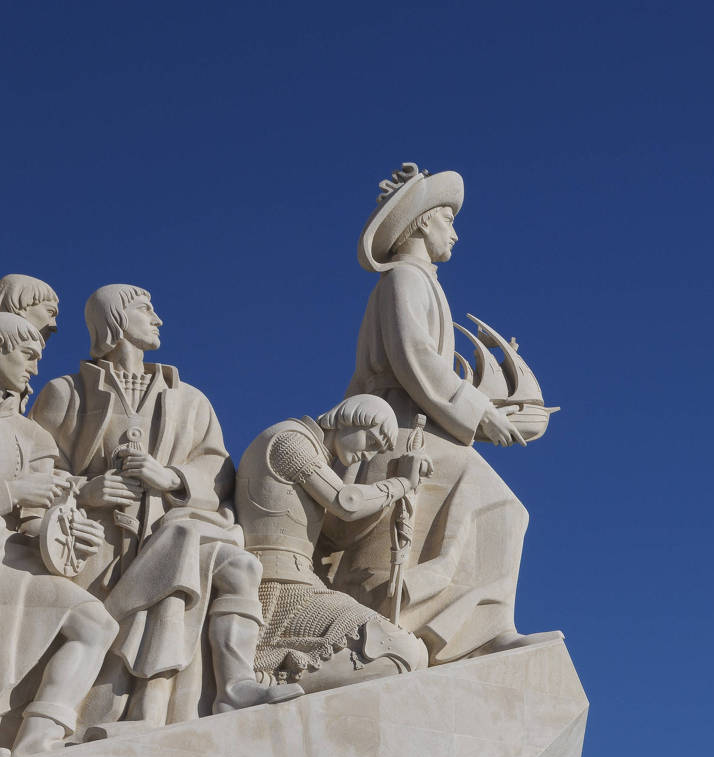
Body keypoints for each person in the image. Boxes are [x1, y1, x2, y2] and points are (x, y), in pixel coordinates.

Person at [31, 285, 298, 725]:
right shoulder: (66, 393)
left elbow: (217, 470)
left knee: (239, 566)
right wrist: (85, 491)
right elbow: (39, 470)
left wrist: (171, 477)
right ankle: (113, 714)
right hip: (98, 546)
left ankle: (234, 686)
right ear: (115, 319)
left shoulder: (189, 400)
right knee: (110, 626)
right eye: (145, 309)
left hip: (172, 530)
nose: (158, 319)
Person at [346, 164, 551, 662]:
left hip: (425, 423)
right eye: (448, 222)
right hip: (398, 429)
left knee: (502, 508)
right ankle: (476, 631)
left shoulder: (421, 282)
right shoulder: (403, 281)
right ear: (422, 223)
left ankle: (480, 625)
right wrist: (479, 413)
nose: (455, 234)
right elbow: (415, 357)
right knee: (500, 504)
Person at [232, 395, 429, 692]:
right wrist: (402, 484)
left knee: (410, 654)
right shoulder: (290, 440)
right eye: (372, 441)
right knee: (400, 651)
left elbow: (339, 526)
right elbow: (345, 501)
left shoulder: (315, 453)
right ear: (352, 418)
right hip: (278, 587)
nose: (368, 454)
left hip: (300, 582)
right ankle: (270, 680)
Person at [0, 311, 112, 756]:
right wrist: (11, 490)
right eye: (26, 355)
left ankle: (36, 743)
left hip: (14, 562)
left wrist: (70, 535)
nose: (34, 368)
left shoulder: (31, 435)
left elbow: (35, 522)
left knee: (94, 623)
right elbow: (20, 496)